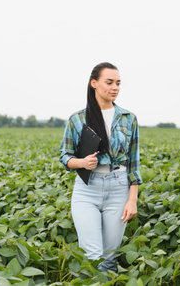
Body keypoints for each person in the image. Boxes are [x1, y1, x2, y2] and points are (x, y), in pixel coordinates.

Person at [59, 62, 142, 272]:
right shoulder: (77, 119)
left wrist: (132, 200)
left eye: (118, 83)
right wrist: (82, 162)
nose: (115, 87)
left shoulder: (128, 118)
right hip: (87, 189)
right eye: (109, 82)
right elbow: (65, 156)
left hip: (119, 188)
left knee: (109, 258)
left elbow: (134, 163)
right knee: (92, 256)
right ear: (94, 83)